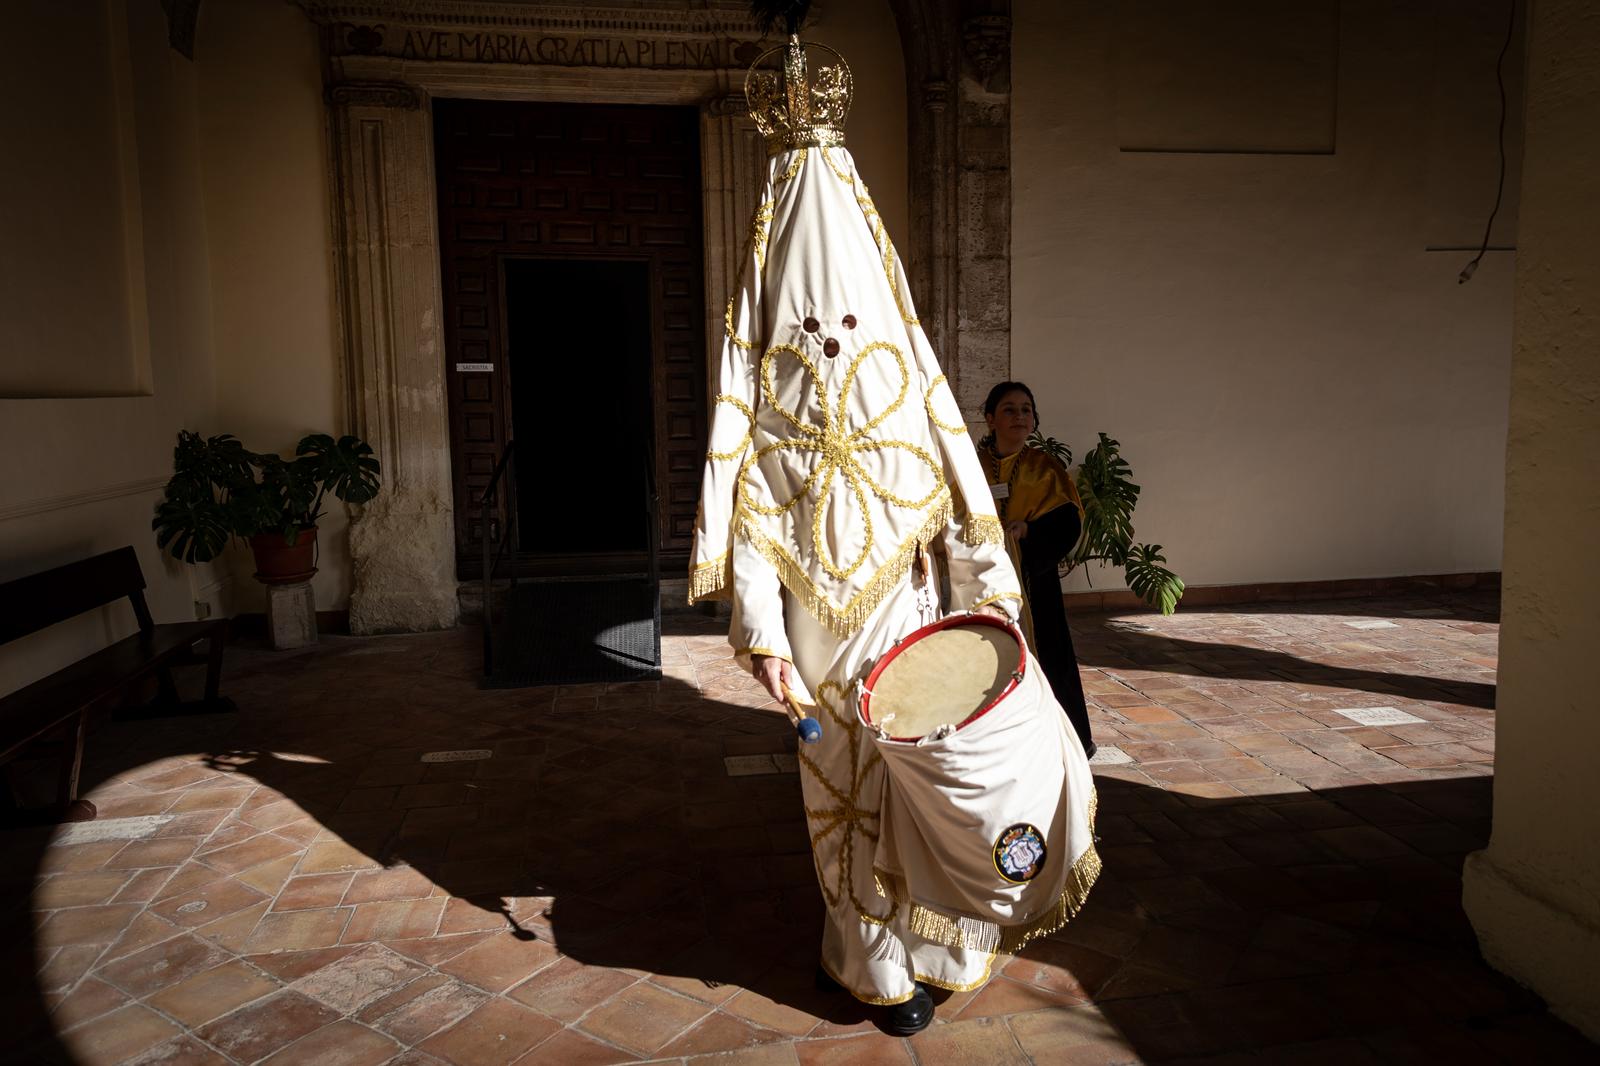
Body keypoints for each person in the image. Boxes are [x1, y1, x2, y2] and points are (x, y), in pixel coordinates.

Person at [691, 31, 1097, 1035]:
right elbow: (749, 507)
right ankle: (869, 961)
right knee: (840, 788)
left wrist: (986, 598)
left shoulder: (903, 369)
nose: (825, 338)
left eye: (844, 327)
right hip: (817, 627)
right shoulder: (764, 387)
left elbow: (959, 490)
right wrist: (766, 640)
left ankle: (939, 938)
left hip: (906, 613)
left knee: (929, 776)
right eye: (806, 329)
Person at [978, 382, 1096, 758]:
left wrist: (1029, 532)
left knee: (1047, 654)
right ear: (990, 419)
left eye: (1026, 409)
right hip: (980, 578)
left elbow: (1068, 522)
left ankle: (1059, 736)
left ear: (1034, 421)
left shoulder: (1045, 468)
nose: (1019, 416)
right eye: (1009, 409)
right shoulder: (972, 465)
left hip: (1034, 581)